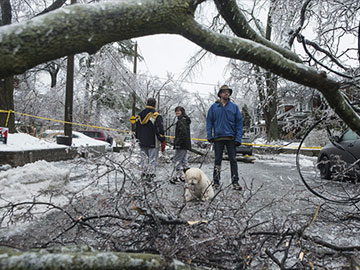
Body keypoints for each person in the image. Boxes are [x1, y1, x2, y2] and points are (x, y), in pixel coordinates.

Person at [206, 85, 243, 190]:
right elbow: (209, 121)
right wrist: (210, 135)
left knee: (233, 160)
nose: (226, 93)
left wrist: (238, 138)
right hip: (218, 138)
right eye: (224, 92)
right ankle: (216, 182)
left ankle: (235, 182)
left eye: (228, 92)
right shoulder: (214, 107)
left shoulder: (234, 107)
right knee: (217, 160)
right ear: (220, 94)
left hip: (231, 138)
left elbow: (239, 124)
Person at [135, 97, 166, 181]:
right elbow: (160, 129)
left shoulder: (139, 115)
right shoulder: (156, 116)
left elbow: (136, 129)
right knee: (152, 159)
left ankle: (144, 174)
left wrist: (137, 139)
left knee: (143, 159)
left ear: (147, 104)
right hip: (153, 141)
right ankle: (151, 175)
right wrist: (162, 140)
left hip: (141, 141)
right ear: (155, 105)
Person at [170, 106, 191, 184]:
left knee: (176, 160)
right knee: (184, 161)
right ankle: (186, 177)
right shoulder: (184, 120)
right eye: (176, 112)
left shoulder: (181, 121)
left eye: (178, 111)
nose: (177, 113)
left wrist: (178, 143)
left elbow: (182, 133)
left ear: (182, 112)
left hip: (181, 144)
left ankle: (175, 177)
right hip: (185, 144)